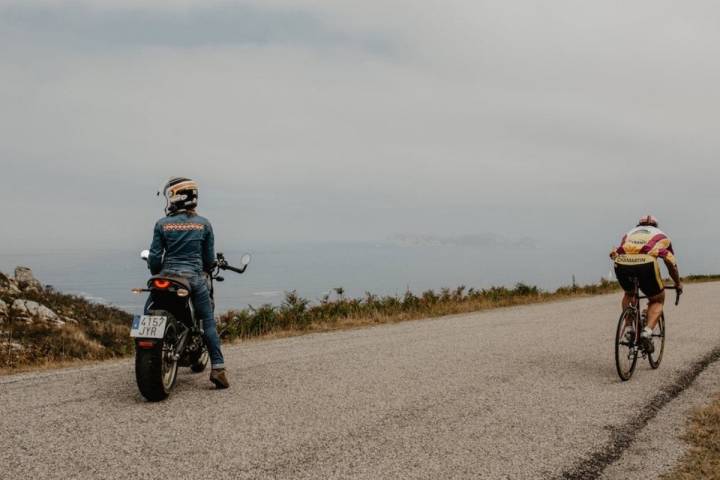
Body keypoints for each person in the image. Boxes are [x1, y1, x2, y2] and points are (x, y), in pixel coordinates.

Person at [147, 177, 229, 389]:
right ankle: (218, 368)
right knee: (207, 321)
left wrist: (158, 272)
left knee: (149, 309)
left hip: (166, 276)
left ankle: (146, 341)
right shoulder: (204, 224)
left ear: (176, 197)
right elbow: (209, 261)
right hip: (193, 277)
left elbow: (155, 258)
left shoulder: (161, 224)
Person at [610, 215, 683, 353]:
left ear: (639, 225)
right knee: (657, 299)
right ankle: (647, 332)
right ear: (656, 226)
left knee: (629, 293)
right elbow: (670, 262)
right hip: (646, 263)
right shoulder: (662, 235)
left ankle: (629, 327)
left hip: (621, 262)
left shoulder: (629, 233)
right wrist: (677, 283)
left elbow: (622, 249)